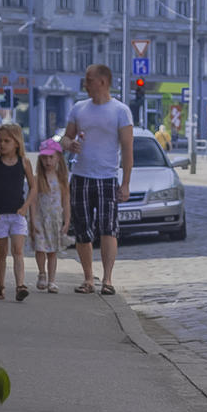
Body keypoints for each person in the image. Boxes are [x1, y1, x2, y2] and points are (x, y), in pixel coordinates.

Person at [60, 64, 133, 296]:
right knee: (82, 230)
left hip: (107, 177)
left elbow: (128, 148)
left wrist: (126, 183)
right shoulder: (79, 108)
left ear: (102, 81)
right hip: (81, 176)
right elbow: (65, 138)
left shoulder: (120, 111)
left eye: (89, 79)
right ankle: (88, 278)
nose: (85, 83)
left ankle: (108, 279)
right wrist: (69, 144)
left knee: (108, 229)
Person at [0, 121, 36, 301]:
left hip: (17, 213)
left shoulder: (24, 162)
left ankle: (20, 286)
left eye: (6, 141)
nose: (2, 145)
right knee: (2, 252)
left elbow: (33, 187)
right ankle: (1, 286)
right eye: (0, 141)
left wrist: (26, 206)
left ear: (17, 142)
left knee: (18, 250)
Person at [29, 138, 71, 293]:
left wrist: (67, 220)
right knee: (40, 249)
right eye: (45, 157)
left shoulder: (61, 179)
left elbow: (66, 201)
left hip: (54, 221)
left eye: (51, 157)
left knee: (52, 251)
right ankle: (42, 273)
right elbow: (33, 202)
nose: (48, 161)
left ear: (58, 157)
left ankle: (52, 280)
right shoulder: (37, 179)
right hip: (40, 220)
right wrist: (32, 221)